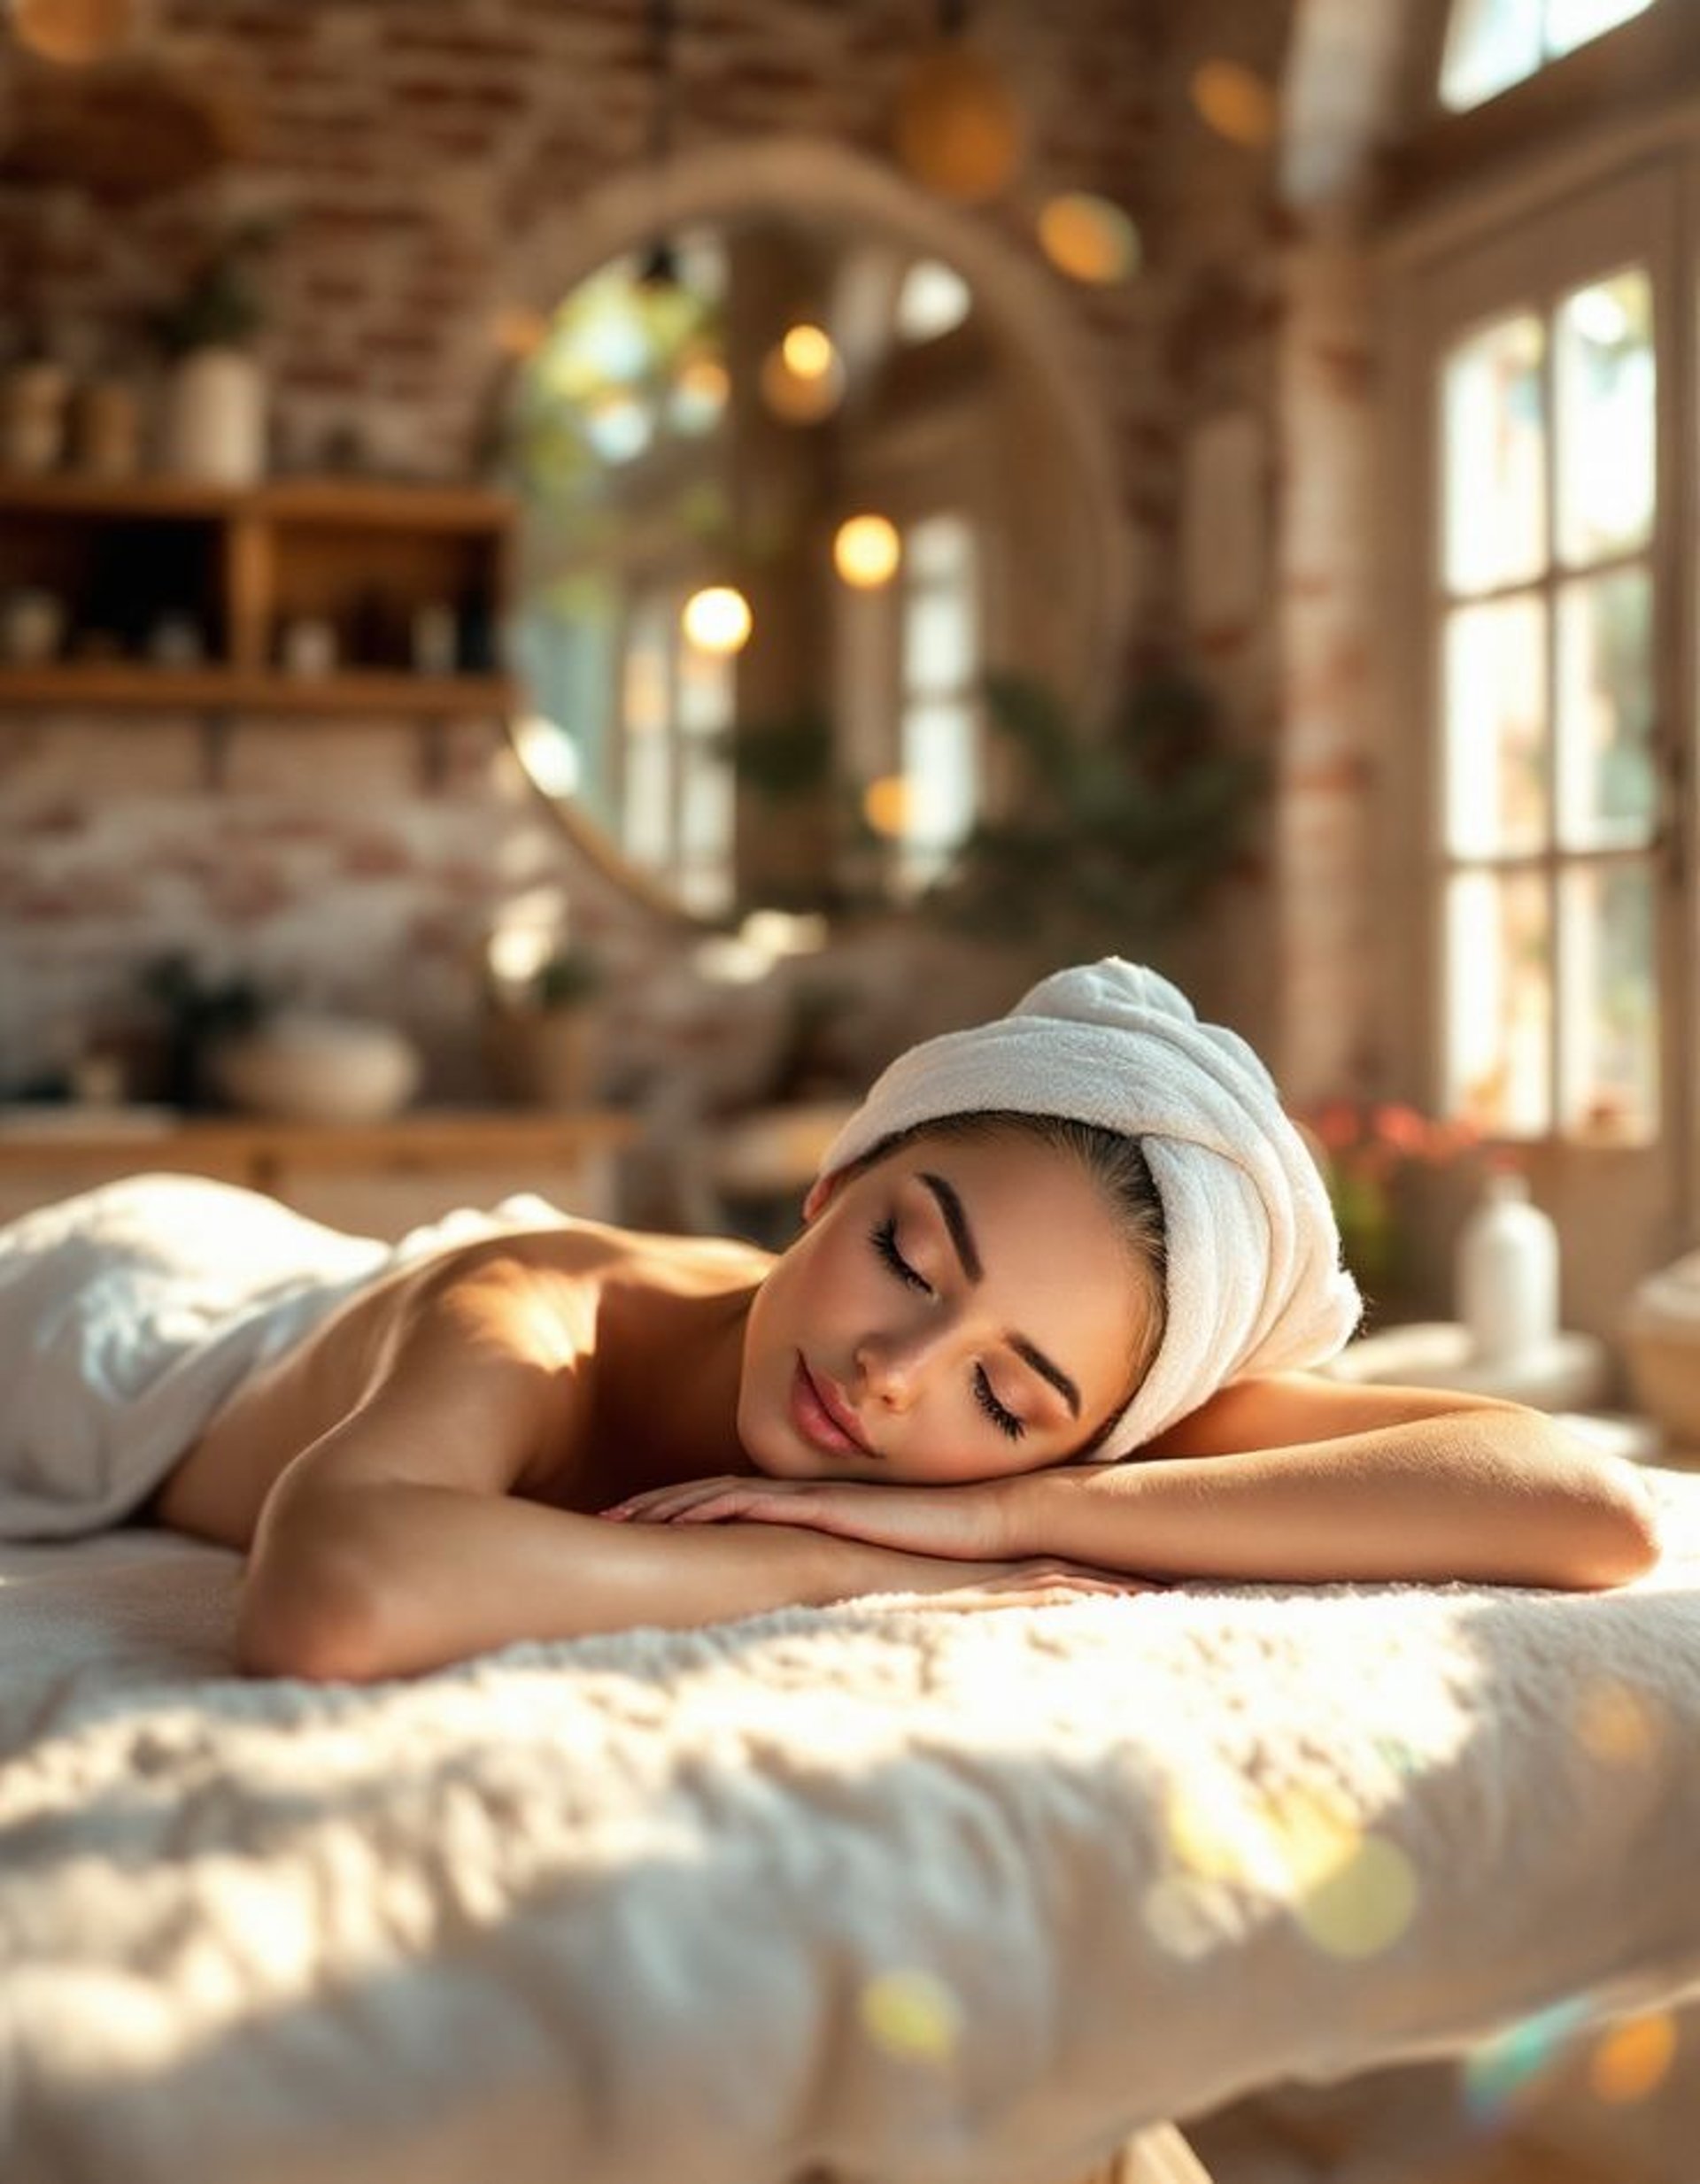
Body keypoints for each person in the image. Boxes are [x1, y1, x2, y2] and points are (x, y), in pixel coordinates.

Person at [0, 960, 1659, 1683]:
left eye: (1012, 1399)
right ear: (833, 1179)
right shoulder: (542, 1309)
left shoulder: (1041, 1420)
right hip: (132, 1295)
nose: (893, 1374)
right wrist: (855, 1553)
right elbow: (335, 1600)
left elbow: (1578, 1504)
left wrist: (1026, 1509)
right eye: (905, 1254)